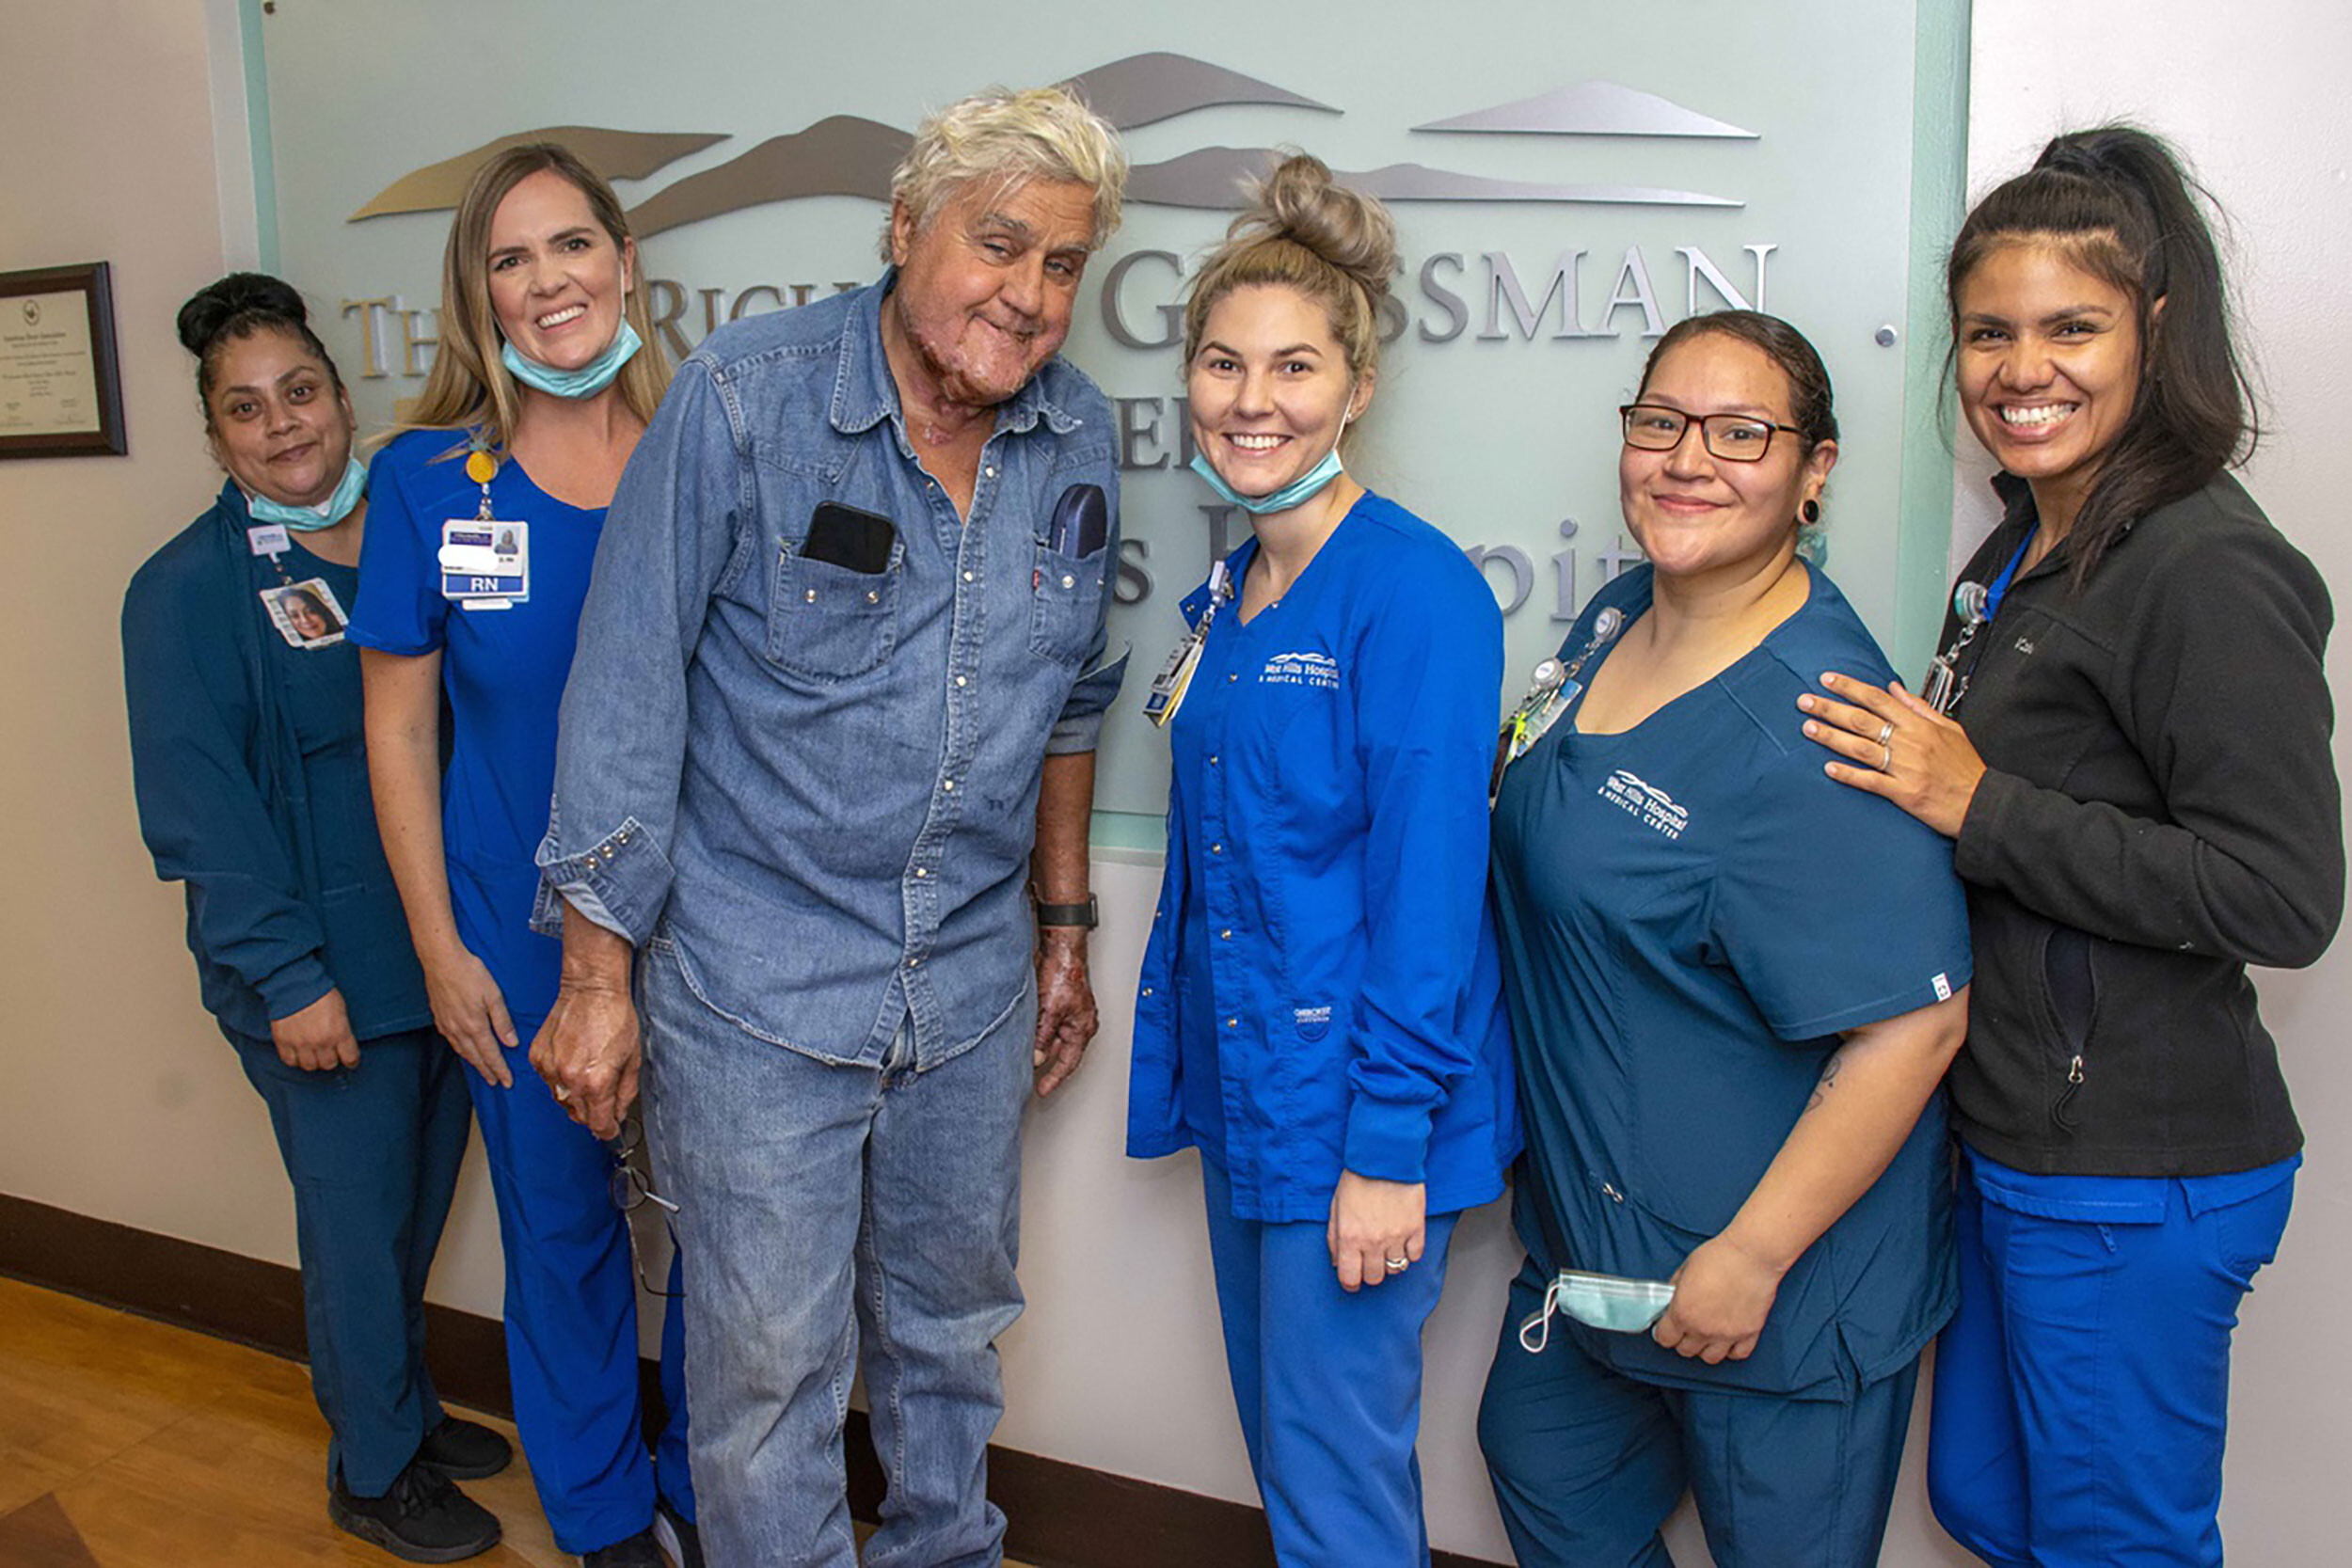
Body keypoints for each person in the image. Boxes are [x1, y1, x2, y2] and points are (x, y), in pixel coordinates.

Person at [526, 86, 1129, 1565]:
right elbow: (623, 698)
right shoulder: (745, 397)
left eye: (1065, 267)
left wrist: (1063, 931)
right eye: (1002, 245)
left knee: (949, 1346)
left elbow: (1070, 704)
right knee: (764, 1380)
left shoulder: (1079, 437)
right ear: (909, 226)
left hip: (970, 996)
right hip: (756, 991)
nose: (1032, 295)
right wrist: (596, 985)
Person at [1798, 126, 2342, 1568]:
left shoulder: (2208, 567)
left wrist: (1980, 802)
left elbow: (2282, 894)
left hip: (2131, 1163)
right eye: (1989, 332)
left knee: (2116, 1546)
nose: (2020, 369)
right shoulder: (2018, 548)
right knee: (1986, 1502)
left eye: (2070, 328)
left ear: (2151, 333)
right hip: (2008, 1131)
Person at [1479, 311, 1975, 1567]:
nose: (1688, 457)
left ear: (1815, 473)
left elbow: (1918, 1021)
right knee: (1541, 1461)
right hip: (1595, 1254)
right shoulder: (1610, 619)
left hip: (1781, 1293)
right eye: (1661, 422)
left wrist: (1751, 1255)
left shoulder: (1824, 726)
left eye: (1742, 432)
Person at [1124, 152, 1517, 1567]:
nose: (1252, 400)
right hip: (1256, 1097)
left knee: (1338, 1484)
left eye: (1294, 368)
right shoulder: (1238, 587)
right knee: (1295, 1460)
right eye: (1223, 365)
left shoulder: (1413, 593)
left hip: (1357, 1114)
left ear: (1356, 390)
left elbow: (1431, 895)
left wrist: (1386, 1152)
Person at [123, 273, 508, 1562]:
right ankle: (376, 1469)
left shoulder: (412, 520)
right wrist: (287, 977)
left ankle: (389, 1405)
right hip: (323, 974)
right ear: (217, 435)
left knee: (412, 1212)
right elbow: (201, 815)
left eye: (299, 391)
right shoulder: (185, 590)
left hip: (443, 958)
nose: (284, 425)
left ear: (341, 397)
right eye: (247, 409)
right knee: (354, 1224)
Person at [348, 145, 695, 1568]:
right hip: (515, 927)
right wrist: (441, 947)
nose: (547, 281)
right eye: (510, 258)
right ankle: (605, 1512)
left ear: (622, 259)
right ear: (477, 293)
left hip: (708, 929)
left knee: (736, 1240)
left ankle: (702, 1474)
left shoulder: (703, 446)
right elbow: (395, 735)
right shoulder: (431, 480)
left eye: (570, 246)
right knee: (561, 1231)